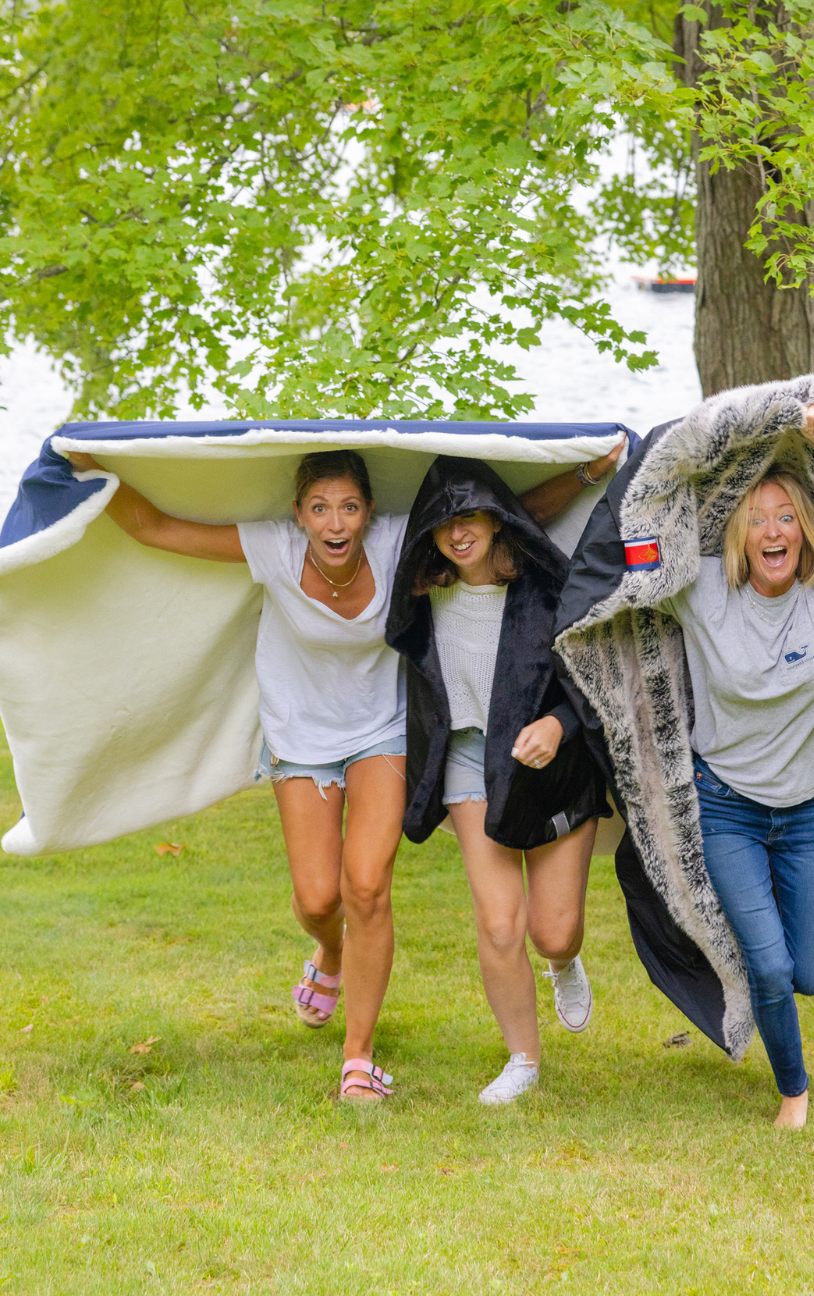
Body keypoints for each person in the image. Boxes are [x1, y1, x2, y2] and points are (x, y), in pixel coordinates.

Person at [66, 443, 620, 1102]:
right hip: (304, 737)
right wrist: (85, 466)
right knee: (321, 900)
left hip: (381, 733)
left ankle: (358, 1059)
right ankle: (330, 953)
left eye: (349, 507)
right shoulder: (285, 549)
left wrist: (587, 471)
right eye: (321, 509)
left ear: (368, 513)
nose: (335, 524)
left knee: (370, 888)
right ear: (298, 513)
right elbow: (154, 527)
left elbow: (508, 512)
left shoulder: (400, 544)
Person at [648, 403, 814, 1127]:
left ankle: (764, 968)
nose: (773, 531)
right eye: (757, 517)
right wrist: (665, 452)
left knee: (805, 972)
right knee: (772, 968)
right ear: (736, 530)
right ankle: (794, 1091)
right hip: (728, 807)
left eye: (786, 517)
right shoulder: (702, 587)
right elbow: (639, 548)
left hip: (809, 816)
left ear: (805, 529)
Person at [386, 455, 615, 1105]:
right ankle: (523, 1059)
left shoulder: (545, 588)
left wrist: (561, 725)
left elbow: (600, 672)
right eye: (442, 522)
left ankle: (564, 961)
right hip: (467, 759)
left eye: (471, 515)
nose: (458, 532)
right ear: (426, 535)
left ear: (496, 516)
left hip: (548, 765)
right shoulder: (425, 595)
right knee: (499, 922)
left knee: (553, 930)